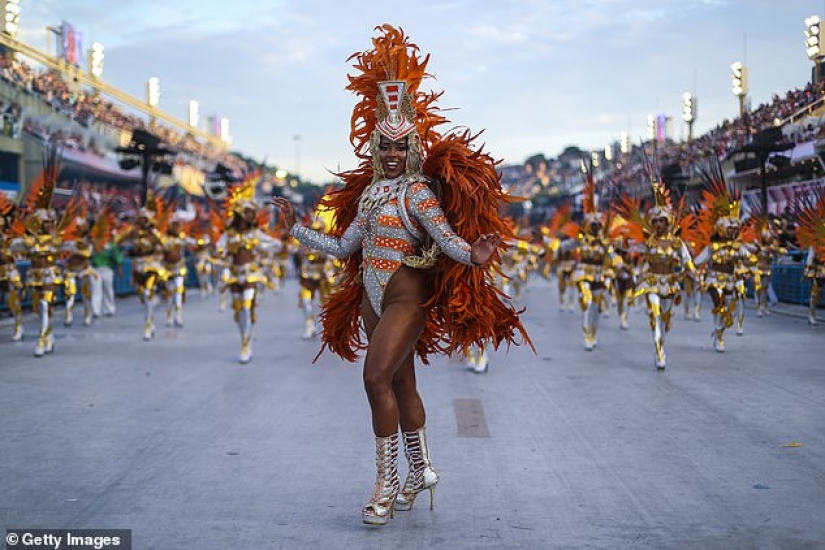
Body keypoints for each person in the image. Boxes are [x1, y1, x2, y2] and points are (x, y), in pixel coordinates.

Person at [272, 25, 529, 527]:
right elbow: (345, 246)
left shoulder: (418, 194)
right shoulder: (369, 196)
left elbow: (448, 238)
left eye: (400, 146)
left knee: (374, 377)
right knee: (402, 385)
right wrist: (297, 230)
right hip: (372, 302)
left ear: (412, 147)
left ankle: (386, 483)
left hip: (405, 301)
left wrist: (473, 255)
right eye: (384, 147)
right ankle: (422, 470)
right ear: (374, 149)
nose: (391, 155)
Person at [215, 172, 283, 364]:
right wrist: (222, 253)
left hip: (252, 274)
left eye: (252, 213)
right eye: (248, 212)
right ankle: (244, 336)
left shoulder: (256, 234)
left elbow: (272, 244)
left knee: (246, 308)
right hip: (234, 275)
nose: (251, 216)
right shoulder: (229, 234)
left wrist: (277, 245)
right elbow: (218, 249)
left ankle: (246, 344)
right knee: (239, 312)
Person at [796, 188, 825, 325]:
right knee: (816, 292)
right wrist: (808, 268)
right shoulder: (816, 238)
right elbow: (812, 252)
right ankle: (811, 313)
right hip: (819, 268)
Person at [89, 214, 124, 318]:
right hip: (94, 269)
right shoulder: (92, 243)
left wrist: (119, 269)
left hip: (107, 269)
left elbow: (117, 257)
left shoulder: (110, 245)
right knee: (96, 290)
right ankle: (96, 310)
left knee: (108, 289)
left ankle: (109, 309)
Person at [0, 193, 24, 341]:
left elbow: (17, 252)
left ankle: (18, 325)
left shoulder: (11, 235)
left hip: (8, 268)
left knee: (12, 297)